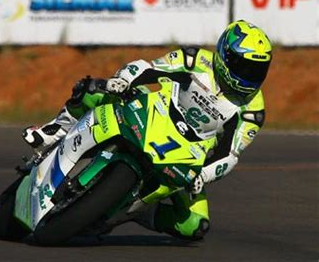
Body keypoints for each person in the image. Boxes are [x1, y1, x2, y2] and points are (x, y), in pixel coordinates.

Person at [22, 20, 272, 240]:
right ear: (225, 55)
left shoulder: (253, 109)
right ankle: (53, 130)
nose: (249, 76)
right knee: (94, 89)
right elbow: (151, 68)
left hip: (187, 156)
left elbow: (230, 154)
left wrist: (203, 176)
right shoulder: (196, 59)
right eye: (244, 66)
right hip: (156, 110)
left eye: (257, 70)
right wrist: (124, 80)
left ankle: (136, 212)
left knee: (195, 226)